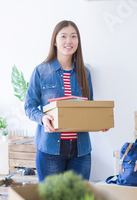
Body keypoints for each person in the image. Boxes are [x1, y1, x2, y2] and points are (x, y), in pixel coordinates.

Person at [24, 20, 108, 182]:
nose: (69, 41)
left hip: (80, 150)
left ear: (78, 41)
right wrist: (42, 118)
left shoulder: (85, 73)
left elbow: (89, 106)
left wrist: (99, 121)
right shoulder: (41, 71)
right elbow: (29, 106)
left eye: (73, 36)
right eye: (63, 36)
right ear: (55, 41)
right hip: (50, 149)